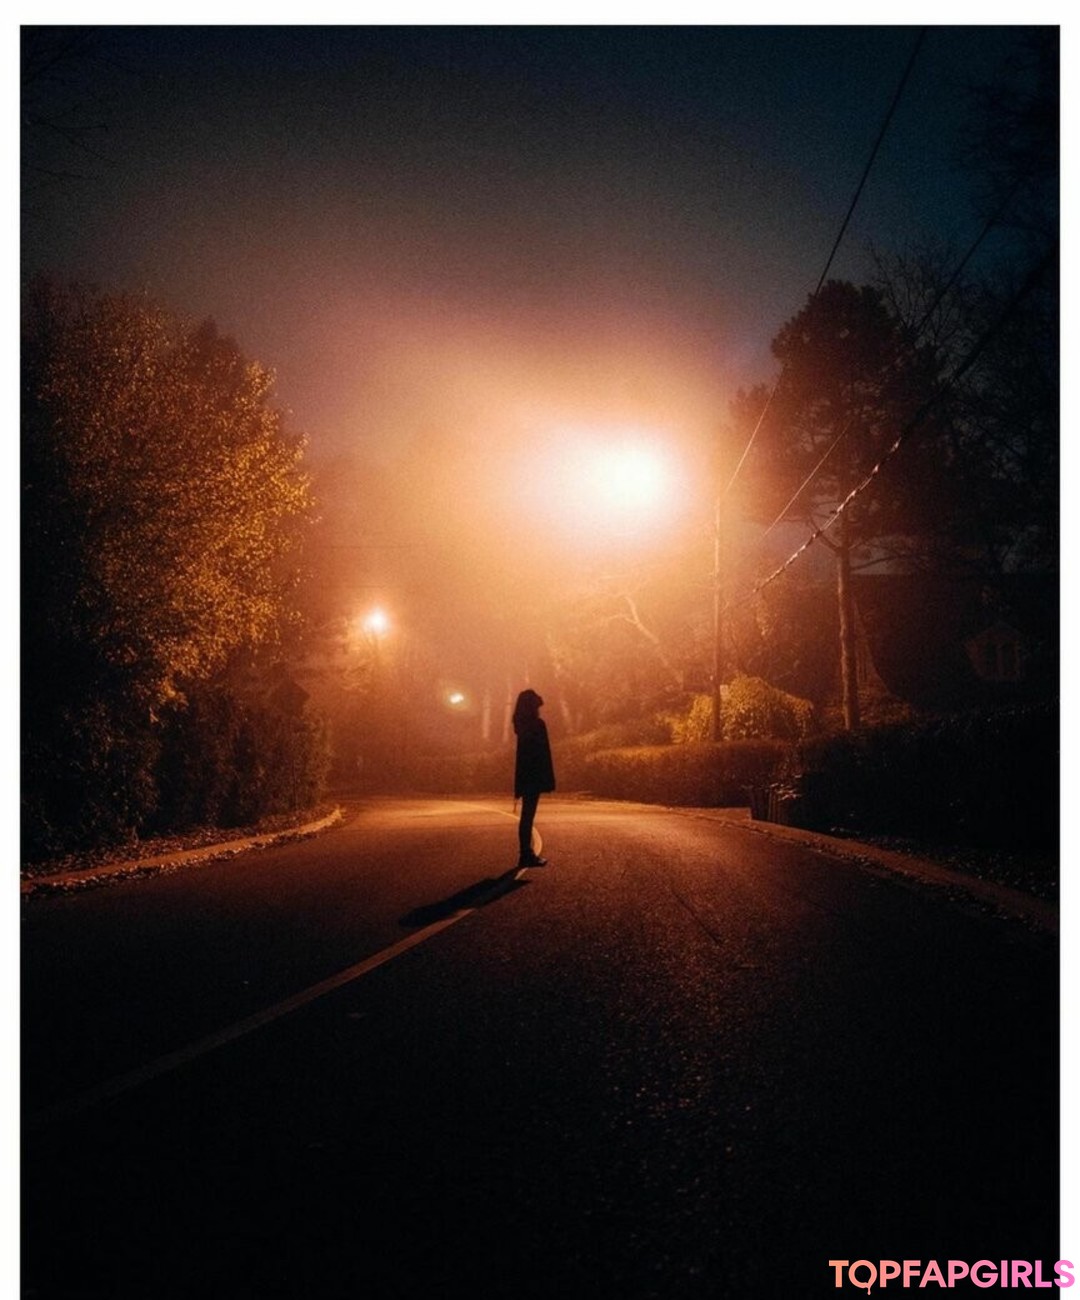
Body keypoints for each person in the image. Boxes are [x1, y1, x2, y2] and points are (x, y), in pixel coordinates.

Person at [512, 688, 555, 867]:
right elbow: (543, 754)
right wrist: (547, 779)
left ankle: (525, 851)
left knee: (526, 815)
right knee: (529, 814)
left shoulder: (521, 726)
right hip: (535, 776)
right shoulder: (537, 725)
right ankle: (526, 854)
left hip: (524, 775)